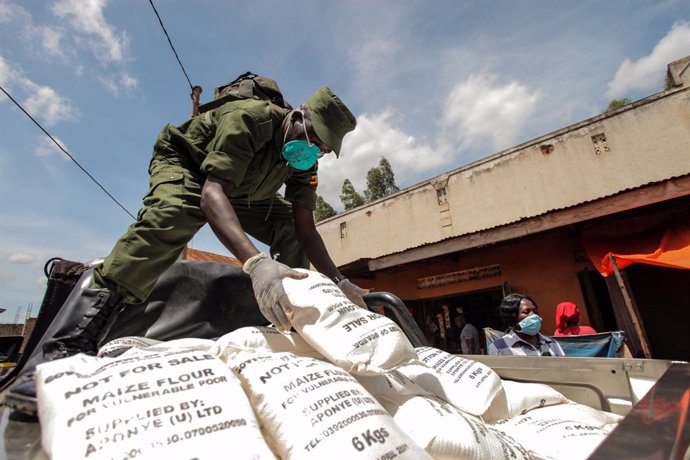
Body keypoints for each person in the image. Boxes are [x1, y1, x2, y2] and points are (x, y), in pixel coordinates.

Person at [4, 84, 369, 415]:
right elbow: (211, 195)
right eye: (312, 136)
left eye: (322, 148)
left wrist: (339, 281)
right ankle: (58, 353)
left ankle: (287, 324)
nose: (313, 150)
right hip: (190, 167)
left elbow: (304, 226)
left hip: (241, 189)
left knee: (287, 224)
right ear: (298, 115)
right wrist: (256, 264)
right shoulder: (251, 118)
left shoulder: (302, 164)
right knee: (175, 215)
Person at [488, 293, 564, 356]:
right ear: (513, 317)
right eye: (526, 312)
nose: (533, 315)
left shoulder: (552, 343)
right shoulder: (499, 348)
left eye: (535, 311)